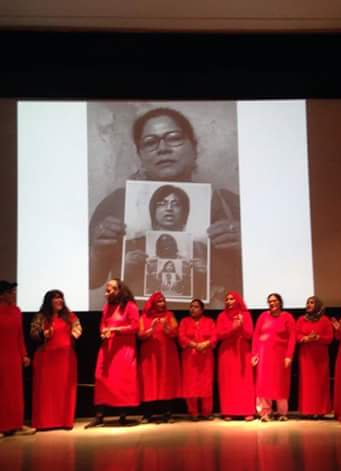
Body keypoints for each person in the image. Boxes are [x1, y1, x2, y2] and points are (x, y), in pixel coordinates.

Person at [89, 107, 242, 308]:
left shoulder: (229, 205)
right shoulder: (115, 204)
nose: (163, 148)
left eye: (174, 138)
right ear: (140, 155)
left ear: (194, 148)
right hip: (138, 326)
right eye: (150, 142)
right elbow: (92, 280)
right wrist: (99, 252)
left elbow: (265, 272)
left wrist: (245, 249)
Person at [123, 185, 206, 299]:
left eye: (176, 204)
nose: (169, 208)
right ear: (153, 211)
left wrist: (206, 273)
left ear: (185, 212)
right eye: (161, 204)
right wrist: (125, 267)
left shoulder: (199, 249)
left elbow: (205, 293)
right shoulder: (133, 245)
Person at [0, 281, 36, 438]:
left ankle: (16, 424)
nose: (14, 294)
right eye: (10, 292)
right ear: (1, 295)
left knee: (14, 392)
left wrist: (24, 354)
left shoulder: (16, 311)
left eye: (14, 291)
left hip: (13, 356)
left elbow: (19, 335)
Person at [87, 279, 140, 428]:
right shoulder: (106, 307)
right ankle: (99, 416)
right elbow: (103, 325)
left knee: (121, 381)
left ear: (119, 291)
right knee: (101, 378)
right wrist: (103, 332)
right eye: (106, 290)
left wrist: (116, 330)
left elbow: (135, 326)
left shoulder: (130, 306)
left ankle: (123, 415)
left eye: (110, 290)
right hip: (108, 348)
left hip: (124, 350)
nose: (106, 293)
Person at [29, 290, 81, 430]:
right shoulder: (40, 317)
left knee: (64, 391)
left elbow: (78, 329)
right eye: (56, 298)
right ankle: (45, 422)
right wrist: (44, 333)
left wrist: (73, 334)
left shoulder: (69, 316)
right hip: (46, 359)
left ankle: (65, 421)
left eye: (61, 298)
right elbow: (33, 334)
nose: (59, 301)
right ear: (49, 301)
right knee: (46, 392)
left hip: (66, 359)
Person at [252, 293, 296, 421]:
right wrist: (254, 354)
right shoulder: (263, 316)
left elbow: (292, 338)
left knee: (280, 382)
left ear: (280, 303)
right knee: (264, 382)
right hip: (264, 354)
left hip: (280, 355)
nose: (272, 303)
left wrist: (289, 355)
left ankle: (282, 412)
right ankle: (265, 412)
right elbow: (256, 335)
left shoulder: (287, 317)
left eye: (274, 301)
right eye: (269, 301)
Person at [138, 291, 181, 423]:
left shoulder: (170, 315)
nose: (162, 304)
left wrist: (166, 327)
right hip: (149, 355)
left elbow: (175, 333)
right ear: (152, 303)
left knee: (166, 381)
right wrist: (151, 327)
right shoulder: (144, 317)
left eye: (163, 301)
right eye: (159, 301)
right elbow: (140, 335)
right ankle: (147, 414)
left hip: (166, 353)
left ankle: (167, 413)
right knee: (149, 381)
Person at [216, 291, 255, 421]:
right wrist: (232, 329)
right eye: (227, 299)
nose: (228, 301)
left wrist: (242, 326)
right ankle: (228, 411)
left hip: (243, 351)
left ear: (237, 300)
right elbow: (219, 335)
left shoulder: (246, 315)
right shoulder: (222, 316)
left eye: (231, 299)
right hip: (226, 352)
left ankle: (247, 410)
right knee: (228, 382)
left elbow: (249, 335)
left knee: (244, 381)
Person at [179, 299, 217, 420]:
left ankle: (206, 412)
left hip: (206, 357)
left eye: (195, 307)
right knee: (190, 384)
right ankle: (193, 412)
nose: (192, 309)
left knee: (206, 383)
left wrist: (206, 343)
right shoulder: (184, 321)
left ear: (202, 309)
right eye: (191, 307)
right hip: (190, 358)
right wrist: (194, 344)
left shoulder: (209, 321)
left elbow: (215, 336)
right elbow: (181, 336)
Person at [296, 296, 334, 418]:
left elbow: (329, 338)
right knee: (307, 384)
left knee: (320, 383)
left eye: (311, 303)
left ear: (317, 305)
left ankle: (320, 410)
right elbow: (296, 335)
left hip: (320, 357)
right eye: (307, 302)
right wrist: (305, 338)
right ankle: (307, 411)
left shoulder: (325, 320)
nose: (308, 305)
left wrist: (318, 338)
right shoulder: (301, 319)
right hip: (306, 356)